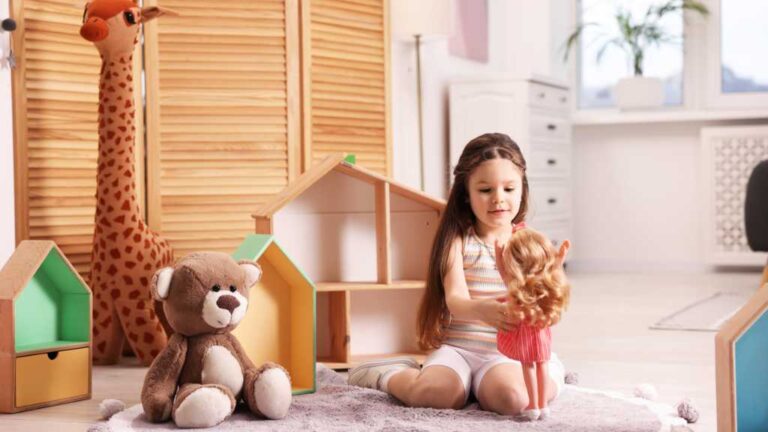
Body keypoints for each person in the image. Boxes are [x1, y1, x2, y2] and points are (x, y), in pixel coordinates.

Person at [348, 133, 565, 418]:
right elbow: (455, 299)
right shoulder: (459, 240)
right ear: (466, 194)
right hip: (458, 349)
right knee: (434, 395)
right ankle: (387, 374)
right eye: (485, 190)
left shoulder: (527, 243)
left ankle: (553, 370)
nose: (498, 199)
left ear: (522, 189)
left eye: (509, 189)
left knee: (513, 399)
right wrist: (483, 309)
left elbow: (546, 299)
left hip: (506, 353)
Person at [496, 224, 570, 420]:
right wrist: (559, 260)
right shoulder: (545, 289)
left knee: (528, 365)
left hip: (525, 337)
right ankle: (542, 404)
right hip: (542, 335)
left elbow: (504, 274)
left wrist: (498, 255)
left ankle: (533, 404)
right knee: (542, 364)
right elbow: (554, 271)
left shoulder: (518, 290)